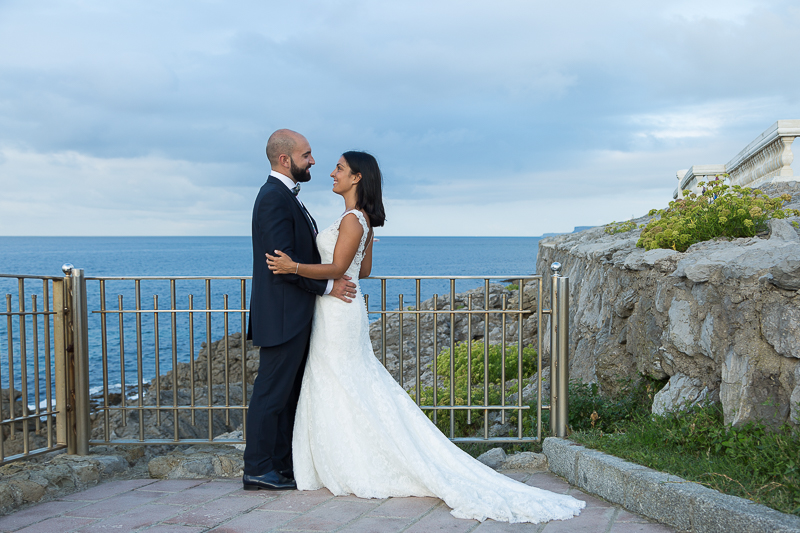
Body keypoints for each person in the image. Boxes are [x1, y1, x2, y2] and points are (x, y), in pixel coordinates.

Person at [265, 151, 586, 523]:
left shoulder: (353, 220)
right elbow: (362, 270)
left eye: (339, 169)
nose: (332, 173)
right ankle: (347, 456)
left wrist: (293, 266)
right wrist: (356, 254)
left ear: (356, 178)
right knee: (347, 382)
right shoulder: (361, 220)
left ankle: (349, 460)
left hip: (338, 313)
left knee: (339, 380)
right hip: (342, 309)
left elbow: (339, 269)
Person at [243, 129, 358, 492]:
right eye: (307, 155)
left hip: (291, 313)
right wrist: (328, 286)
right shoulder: (274, 197)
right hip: (281, 314)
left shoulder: (284, 196)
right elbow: (283, 263)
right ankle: (258, 469)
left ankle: (279, 465)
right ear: (284, 159)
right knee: (271, 393)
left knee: (286, 394)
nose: (312, 161)